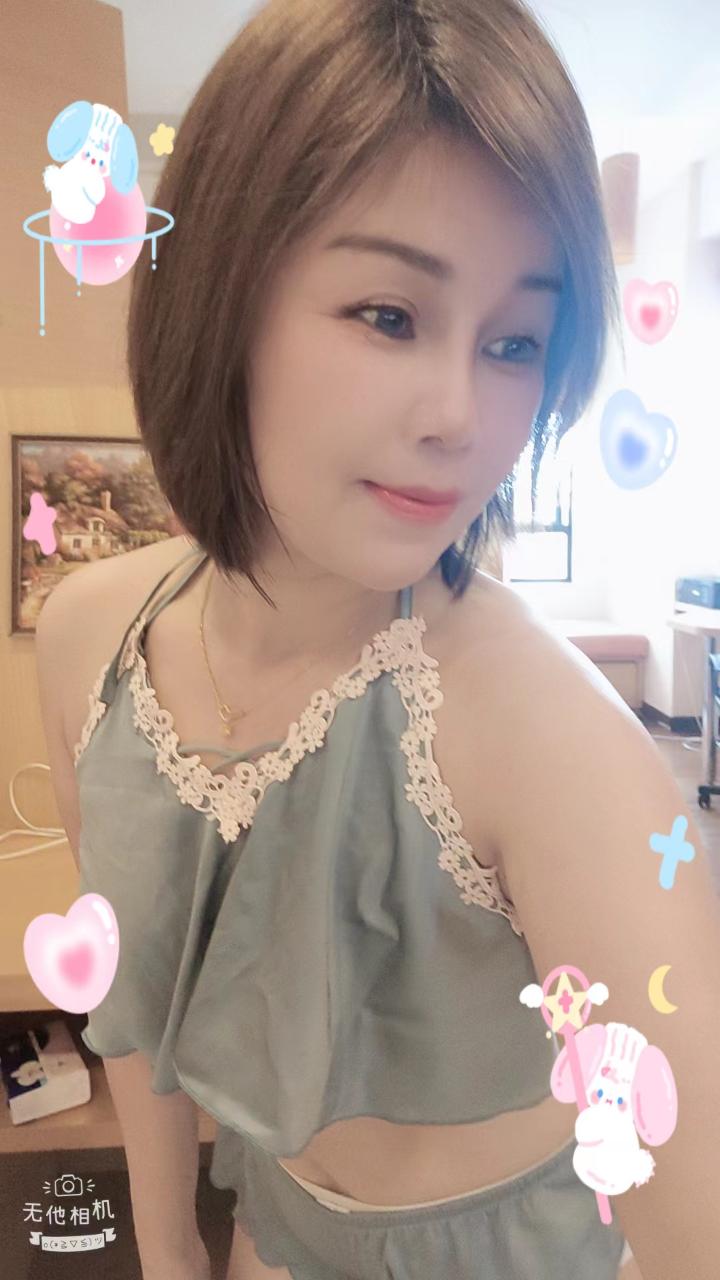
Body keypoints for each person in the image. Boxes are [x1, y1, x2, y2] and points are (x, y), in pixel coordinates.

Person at [58, 0, 719, 1277]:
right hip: (272, 1234)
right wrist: (167, 1248)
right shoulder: (96, 638)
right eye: (390, 314)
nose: (464, 414)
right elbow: (131, 1000)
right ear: (221, 295)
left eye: (516, 341)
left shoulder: (546, 739)